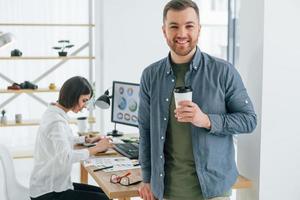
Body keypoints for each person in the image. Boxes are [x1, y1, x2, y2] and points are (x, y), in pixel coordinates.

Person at [138, 0, 257, 200]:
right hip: (166, 191)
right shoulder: (150, 75)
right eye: (174, 26)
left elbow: (249, 120)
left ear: (199, 29)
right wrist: (146, 177)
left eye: (189, 26)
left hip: (213, 191)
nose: (181, 33)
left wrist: (207, 120)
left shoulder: (223, 72)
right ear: (164, 30)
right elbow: (145, 129)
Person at [29, 76, 111, 200]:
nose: (84, 106)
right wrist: (96, 148)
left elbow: (62, 140)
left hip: (56, 185)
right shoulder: (56, 121)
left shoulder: (55, 113)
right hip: (49, 193)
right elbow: (66, 157)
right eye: (84, 100)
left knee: (105, 193)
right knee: (104, 198)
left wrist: (86, 140)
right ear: (73, 96)